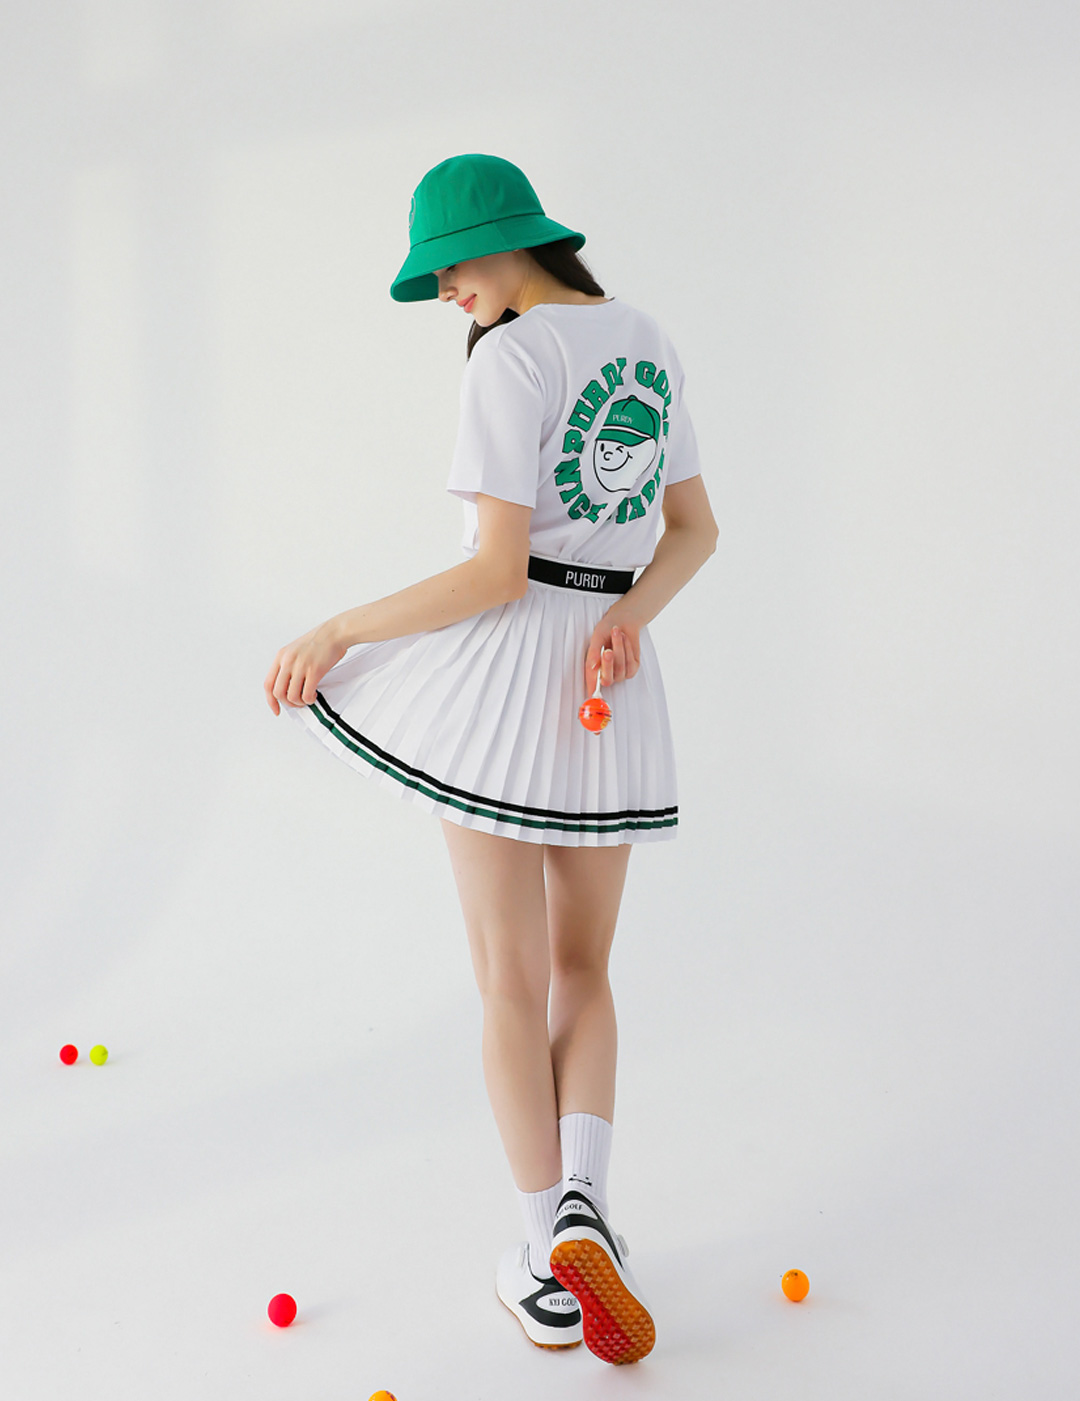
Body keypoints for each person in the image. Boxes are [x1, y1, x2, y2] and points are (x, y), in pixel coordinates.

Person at [263, 153, 719, 1365]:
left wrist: (339, 628)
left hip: (507, 690)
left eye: (449, 267)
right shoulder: (647, 339)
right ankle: (588, 1209)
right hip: (611, 686)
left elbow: (495, 575)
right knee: (584, 968)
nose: (445, 293)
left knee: (510, 981)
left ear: (505, 240)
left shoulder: (512, 358)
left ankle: (542, 1258)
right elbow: (695, 531)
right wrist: (630, 616)